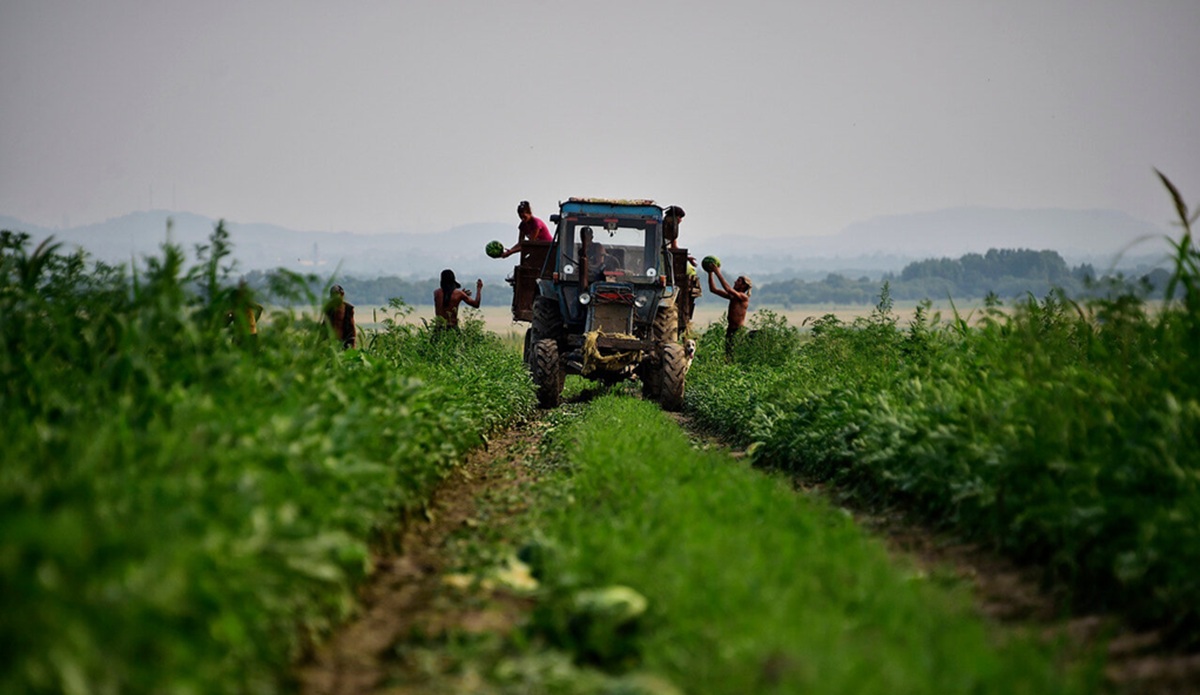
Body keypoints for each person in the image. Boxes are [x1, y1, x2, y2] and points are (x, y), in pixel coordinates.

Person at [707, 266, 752, 360]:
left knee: (735, 353)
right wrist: (710, 273)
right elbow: (713, 289)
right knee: (729, 355)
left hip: (738, 330)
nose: (735, 282)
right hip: (730, 329)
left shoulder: (743, 297)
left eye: (738, 281)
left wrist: (717, 272)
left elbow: (728, 289)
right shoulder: (733, 297)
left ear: (743, 286)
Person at [323, 284, 356, 349]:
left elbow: (351, 327)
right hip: (331, 344)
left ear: (342, 295)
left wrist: (352, 344)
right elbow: (324, 326)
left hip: (344, 342)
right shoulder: (329, 309)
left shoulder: (348, 309)